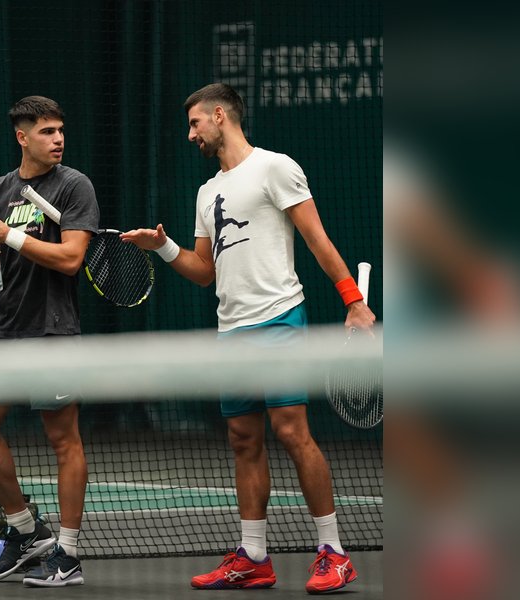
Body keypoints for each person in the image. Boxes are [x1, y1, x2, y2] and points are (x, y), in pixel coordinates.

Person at [120, 83, 375, 593]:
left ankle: (334, 552)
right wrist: (163, 247)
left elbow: (316, 238)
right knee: (243, 439)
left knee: (292, 432)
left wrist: (353, 300)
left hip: (279, 319)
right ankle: (254, 556)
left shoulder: (275, 167)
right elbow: (203, 271)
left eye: (195, 123)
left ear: (220, 115)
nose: (190, 134)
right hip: (231, 331)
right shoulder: (205, 192)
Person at [0, 95, 99, 587]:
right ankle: (26, 532)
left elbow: (72, 258)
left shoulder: (74, 186)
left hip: (53, 333)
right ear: (22, 137)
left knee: (63, 440)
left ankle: (69, 554)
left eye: (60, 130)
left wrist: (10, 238)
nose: (58, 139)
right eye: (46, 131)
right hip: (4, 332)